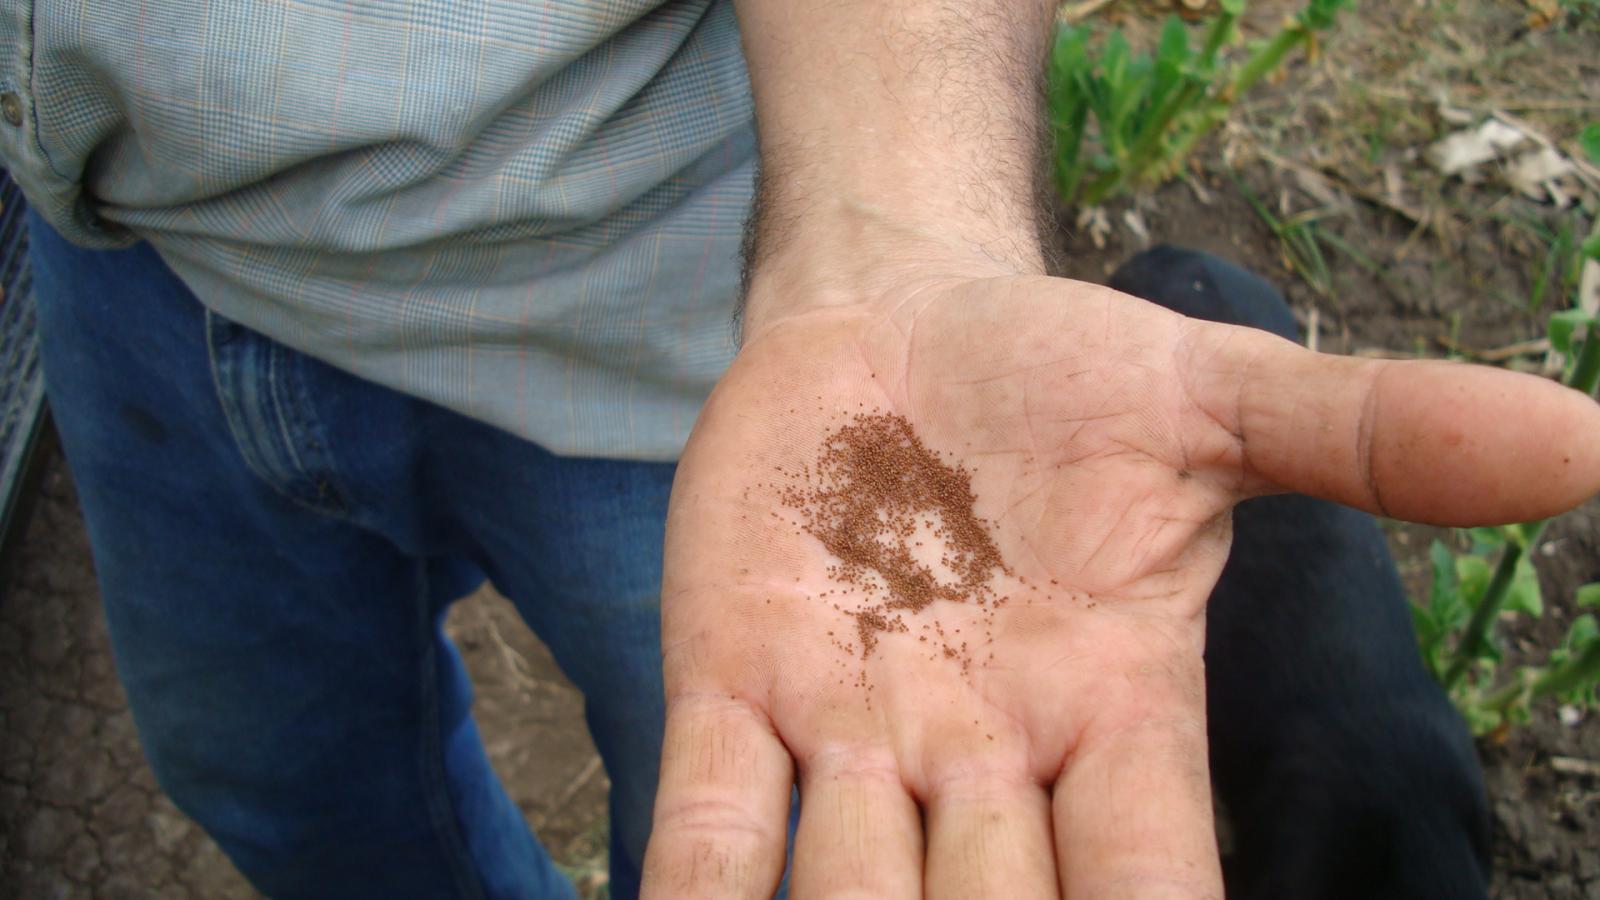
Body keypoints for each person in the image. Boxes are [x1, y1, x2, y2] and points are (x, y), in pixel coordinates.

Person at [7, 1, 1597, 898]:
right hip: (121, 233)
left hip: (684, 291)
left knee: (755, 830)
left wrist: (897, 225)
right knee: (269, 776)